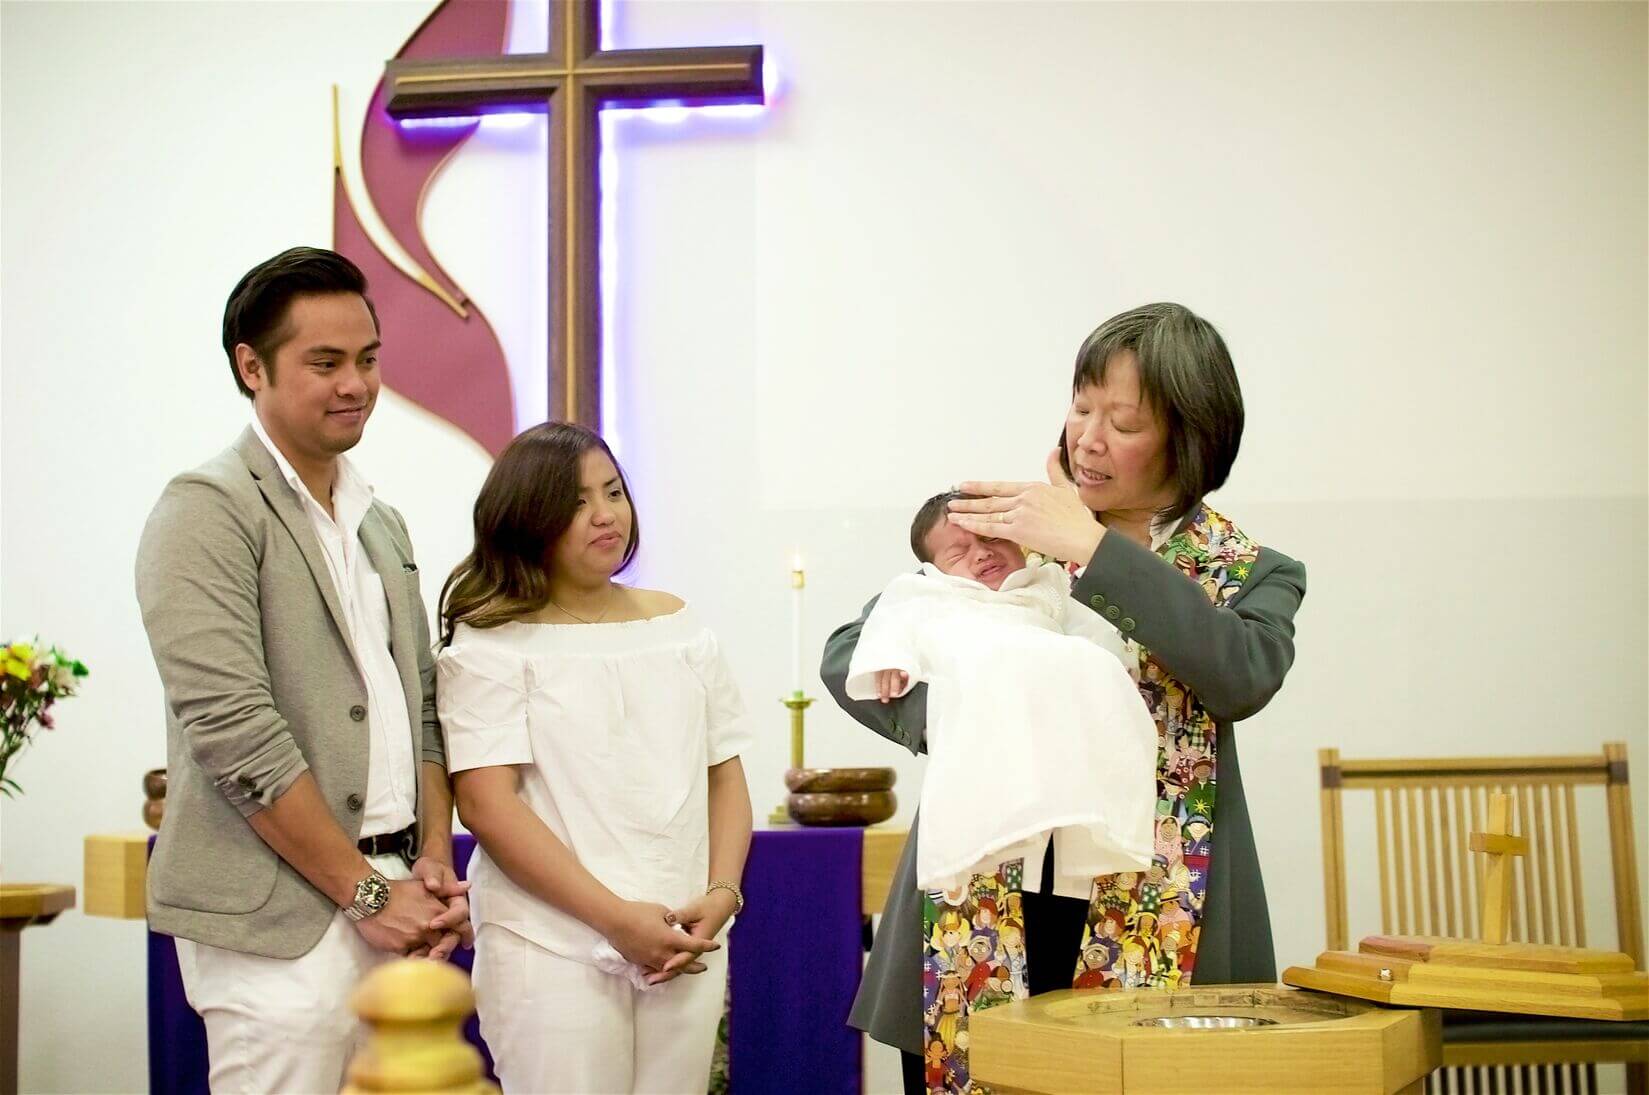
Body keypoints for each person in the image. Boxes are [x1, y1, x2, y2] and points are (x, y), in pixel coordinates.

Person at [822, 302, 1307, 1094]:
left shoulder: (1249, 570)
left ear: (1191, 438)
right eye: (1081, 408)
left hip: (1156, 898)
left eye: (1123, 421)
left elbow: (1240, 674)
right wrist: (960, 712)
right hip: (988, 891)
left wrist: (1090, 546)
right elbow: (856, 646)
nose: (1087, 438)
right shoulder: (1011, 530)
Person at [135, 246, 469, 1093]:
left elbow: (421, 704)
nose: (355, 384)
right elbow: (234, 730)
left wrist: (431, 857)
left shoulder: (379, 520)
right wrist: (365, 894)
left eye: (368, 359)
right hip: (280, 917)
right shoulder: (207, 507)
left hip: (395, 893)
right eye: (325, 363)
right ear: (252, 367)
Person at [436, 422, 753, 1094]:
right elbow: (487, 806)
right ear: (528, 518)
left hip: (682, 934)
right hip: (551, 941)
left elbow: (724, 775)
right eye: (576, 502)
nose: (605, 514)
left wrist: (721, 894)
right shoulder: (489, 643)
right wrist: (614, 918)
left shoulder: (677, 626)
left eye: (612, 491)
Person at [843, 490, 1156, 898]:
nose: (981, 554)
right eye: (958, 553)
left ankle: (1095, 821)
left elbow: (1092, 630)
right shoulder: (925, 594)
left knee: (1092, 665)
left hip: (1058, 719)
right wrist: (892, 660)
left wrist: (1114, 666)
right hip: (986, 707)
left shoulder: (1049, 583)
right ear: (935, 571)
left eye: (991, 538)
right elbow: (891, 624)